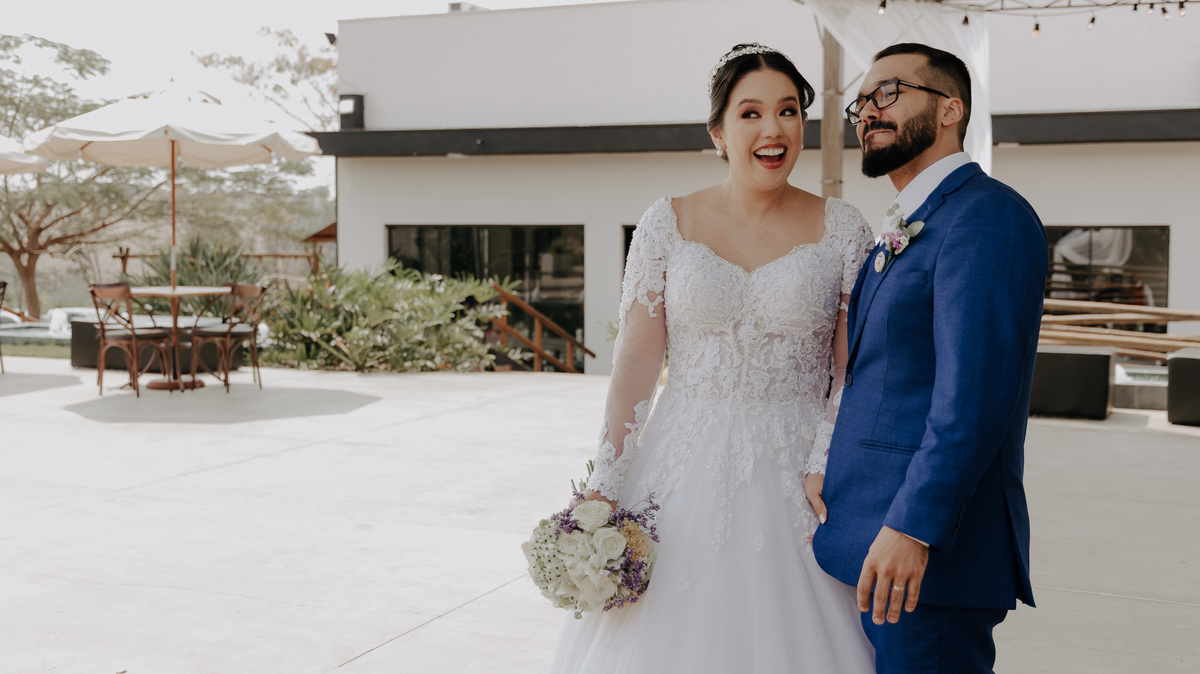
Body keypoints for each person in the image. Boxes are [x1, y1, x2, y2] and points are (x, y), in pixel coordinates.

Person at [548, 43, 875, 673]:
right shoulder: (666, 222)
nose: (772, 129)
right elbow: (635, 370)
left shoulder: (843, 229)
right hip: (679, 463)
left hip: (799, 472)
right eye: (750, 113)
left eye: (787, 111)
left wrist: (822, 461)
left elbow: (850, 371)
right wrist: (603, 491)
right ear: (718, 131)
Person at [808, 43, 1048, 674]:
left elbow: (973, 400)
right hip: (870, 542)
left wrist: (914, 529)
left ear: (950, 109)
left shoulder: (988, 218)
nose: (868, 112)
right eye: (861, 101)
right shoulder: (914, 220)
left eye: (889, 92)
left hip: (929, 561)